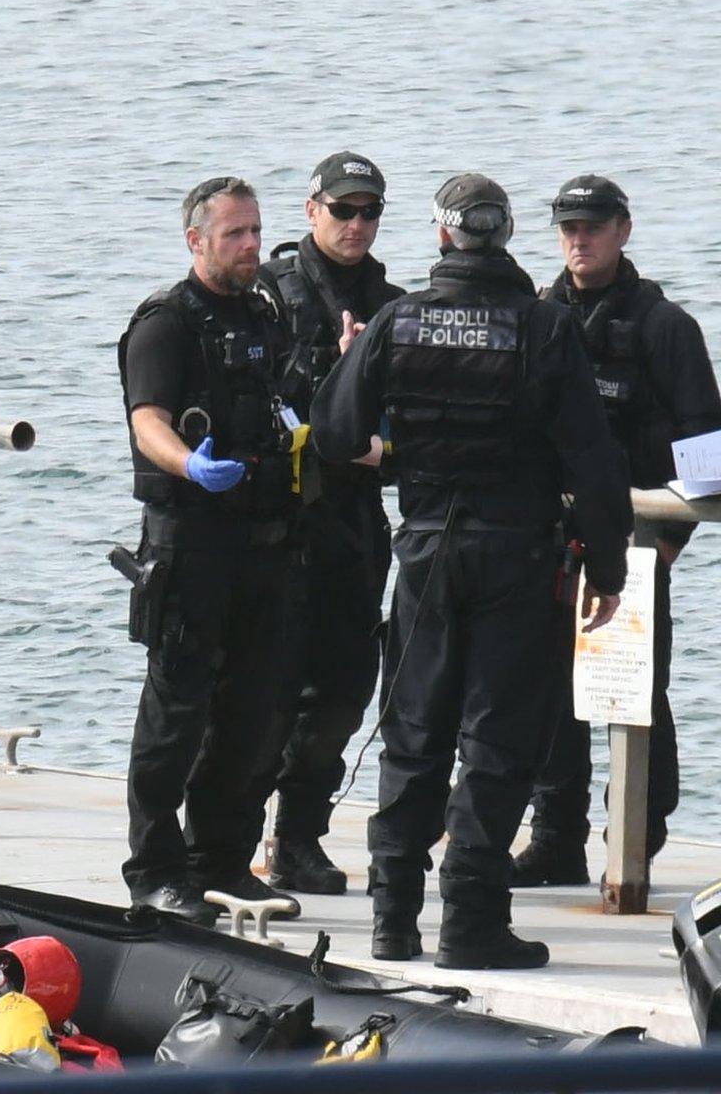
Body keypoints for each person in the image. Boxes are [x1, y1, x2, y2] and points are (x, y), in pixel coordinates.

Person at [309, 173, 631, 970]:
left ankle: (392, 917)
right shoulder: (546, 327)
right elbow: (595, 463)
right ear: (507, 235)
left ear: (443, 236)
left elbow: (335, 431)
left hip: (424, 550)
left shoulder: (398, 319)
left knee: (413, 732)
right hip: (519, 557)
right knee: (497, 741)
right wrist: (609, 564)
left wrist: (364, 381)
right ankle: (471, 923)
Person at [513, 175, 721, 885]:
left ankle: (640, 833)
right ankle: (555, 839)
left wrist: (660, 552)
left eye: (593, 226)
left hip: (636, 545)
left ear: (623, 230)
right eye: (568, 227)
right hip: (546, 542)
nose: (579, 239)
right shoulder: (538, 316)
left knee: (637, 692)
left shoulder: (666, 329)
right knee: (548, 692)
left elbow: (707, 455)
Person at [116, 176, 304, 926]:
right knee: (177, 712)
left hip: (263, 544)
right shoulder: (167, 323)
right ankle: (155, 869)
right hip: (189, 545)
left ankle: (222, 858)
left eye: (257, 231)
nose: (253, 247)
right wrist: (188, 464)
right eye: (236, 235)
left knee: (254, 714)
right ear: (197, 241)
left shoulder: (265, 315)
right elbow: (147, 420)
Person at [260, 153, 404, 896]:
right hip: (279, 521)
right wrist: (334, 379)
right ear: (310, 208)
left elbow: (414, 420)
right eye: (342, 210)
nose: (355, 225)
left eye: (369, 212)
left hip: (354, 519)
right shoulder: (270, 295)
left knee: (345, 687)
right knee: (264, 687)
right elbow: (252, 397)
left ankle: (299, 834)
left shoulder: (397, 303)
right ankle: (223, 835)